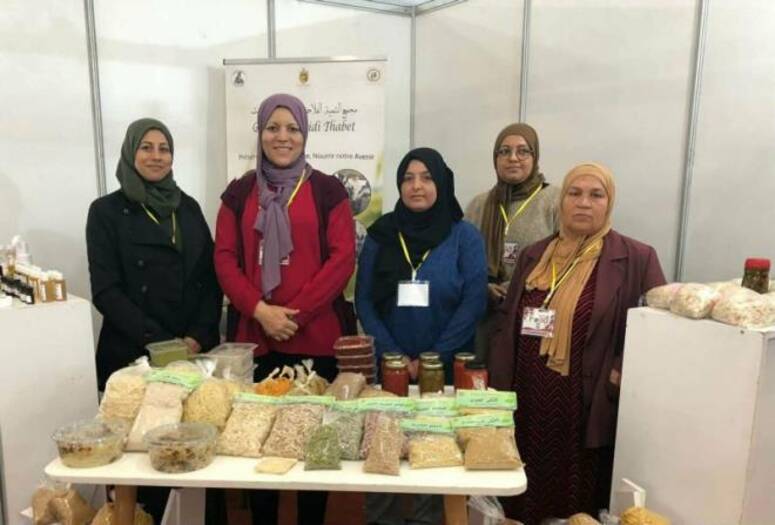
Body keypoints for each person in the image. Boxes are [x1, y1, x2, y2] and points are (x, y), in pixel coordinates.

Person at [487, 163, 666, 524]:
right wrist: (498, 388)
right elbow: (508, 321)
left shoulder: (636, 257)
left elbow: (658, 329)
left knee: (576, 493)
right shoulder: (535, 255)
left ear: (609, 202)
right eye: (574, 193)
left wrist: (621, 370)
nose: (583, 202)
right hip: (528, 396)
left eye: (596, 195)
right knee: (523, 484)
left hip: (584, 399)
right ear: (561, 200)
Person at [214, 93, 355, 525]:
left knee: (314, 449)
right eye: (272, 127)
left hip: (316, 339)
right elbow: (224, 258)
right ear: (259, 133)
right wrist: (260, 310)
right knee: (260, 449)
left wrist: (294, 314)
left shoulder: (328, 190)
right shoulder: (239, 192)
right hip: (256, 342)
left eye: (292, 128)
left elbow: (343, 258)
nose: (282, 136)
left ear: (305, 134)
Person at [86, 118, 222, 521]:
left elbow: (209, 279)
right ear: (131, 153)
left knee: (196, 460)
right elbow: (106, 291)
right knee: (142, 466)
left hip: (191, 358)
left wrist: (198, 335)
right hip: (134, 357)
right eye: (146, 147)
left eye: (164, 148)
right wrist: (161, 342)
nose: (156, 156)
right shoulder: (105, 212)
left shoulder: (188, 207)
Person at [356, 147, 487, 525]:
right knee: (383, 450)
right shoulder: (382, 234)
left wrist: (432, 357)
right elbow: (364, 300)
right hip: (388, 368)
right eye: (408, 178)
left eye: (427, 178)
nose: (417, 186)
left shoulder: (464, 237)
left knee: (434, 451)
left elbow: (473, 302)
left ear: (442, 183)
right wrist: (394, 355)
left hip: (445, 369)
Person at [465, 123, 559, 360]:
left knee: (530, 371)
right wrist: (483, 287)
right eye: (504, 151)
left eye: (523, 151)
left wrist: (516, 287)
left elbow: (565, 258)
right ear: (495, 158)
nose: (513, 158)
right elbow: (462, 261)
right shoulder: (479, 205)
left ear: (535, 157)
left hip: (536, 311)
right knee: (486, 375)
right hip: (487, 311)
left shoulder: (554, 201)